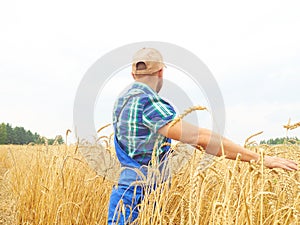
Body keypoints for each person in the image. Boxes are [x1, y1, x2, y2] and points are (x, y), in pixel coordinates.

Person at [107, 48, 298, 225]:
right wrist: (261, 159)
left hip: (122, 200)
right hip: (140, 202)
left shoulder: (121, 102)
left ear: (133, 75)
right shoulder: (148, 103)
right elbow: (201, 138)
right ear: (160, 73)